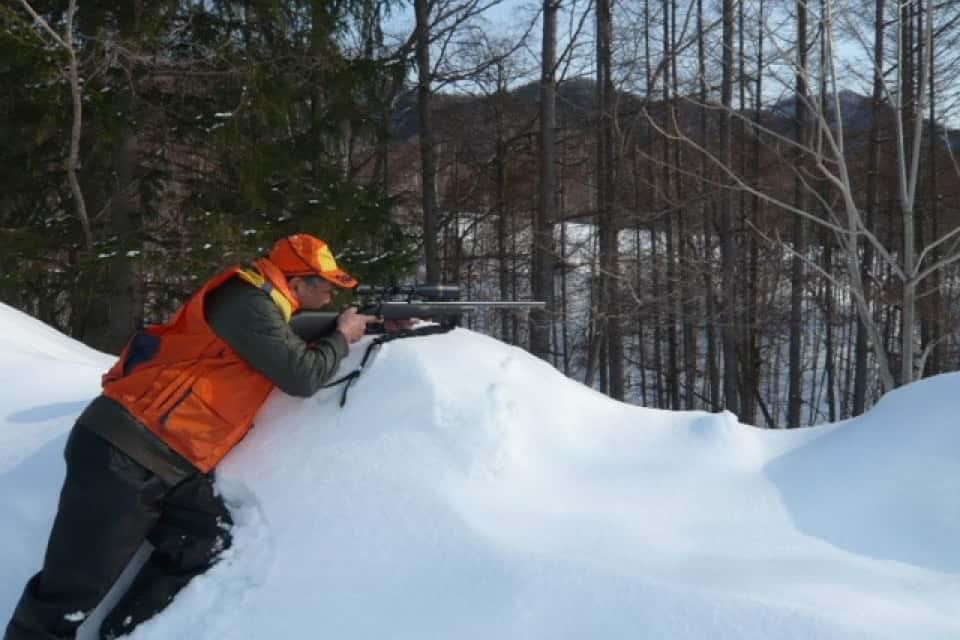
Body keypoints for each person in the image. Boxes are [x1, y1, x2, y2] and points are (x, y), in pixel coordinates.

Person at [4, 233, 384, 640]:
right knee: (70, 593)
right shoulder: (247, 302)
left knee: (206, 541)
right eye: (325, 287)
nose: (330, 299)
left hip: (170, 462)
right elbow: (301, 376)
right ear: (296, 284)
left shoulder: (268, 309)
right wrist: (341, 336)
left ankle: (125, 634)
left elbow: (283, 347)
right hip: (126, 450)